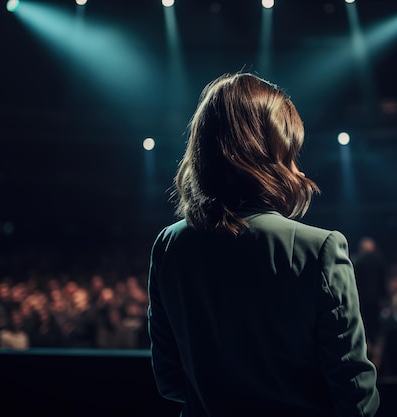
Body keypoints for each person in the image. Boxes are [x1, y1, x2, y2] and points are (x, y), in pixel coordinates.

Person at [147, 73, 379, 417]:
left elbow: (170, 381)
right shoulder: (322, 249)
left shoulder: (169, 245)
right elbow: (357, 401)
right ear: (273, 152)